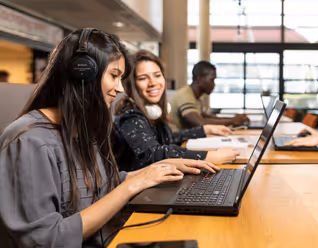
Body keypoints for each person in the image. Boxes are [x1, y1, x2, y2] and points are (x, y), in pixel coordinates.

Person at [0, 28, 218, 248]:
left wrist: (157, 169)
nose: (121, 88)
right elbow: (46, 240)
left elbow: (101, 187)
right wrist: (132, 186)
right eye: (114, 75)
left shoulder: (81, 129)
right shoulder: (29, 141)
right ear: (83, 73)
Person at [113, 50, 240, 171]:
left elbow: (167, 139)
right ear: (132, 84)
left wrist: (203, 130)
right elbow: (152, 153)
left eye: (157, 75)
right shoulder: (130, 116)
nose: (153, 83)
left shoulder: (151, 110)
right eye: (143, 78)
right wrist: (210, 157)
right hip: (140, 191)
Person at [168, 61, 249, 132]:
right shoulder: (185, 96)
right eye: (211, 80)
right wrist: (232, 121)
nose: (214, 84)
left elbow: (206, 117)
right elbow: (200, 123)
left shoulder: (196, 97)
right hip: (176, 144)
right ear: (199, 79)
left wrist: (233, 119)